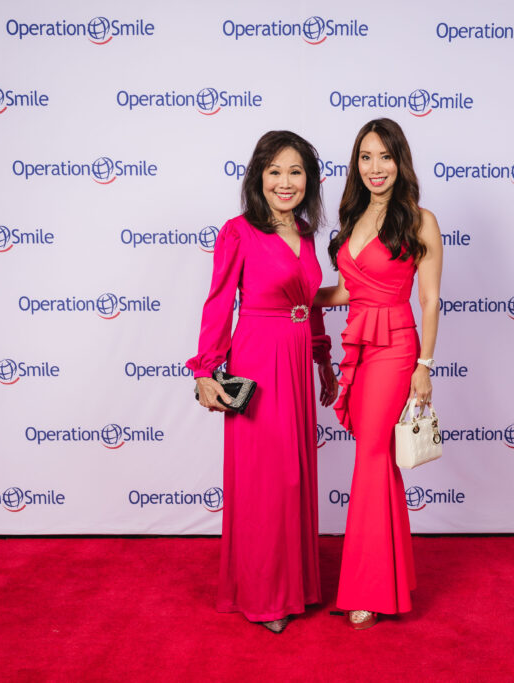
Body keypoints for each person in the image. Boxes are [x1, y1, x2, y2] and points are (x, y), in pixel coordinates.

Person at [187, 130, 339, 634]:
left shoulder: (306, 232)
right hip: (258, 357)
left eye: (295, 171)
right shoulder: (238, 232)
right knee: (263, 481)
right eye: (275, 171)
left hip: (295, 359)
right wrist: (206, 368)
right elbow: (218, 302)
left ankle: (294, 587)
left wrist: (322, 359)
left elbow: (308, 303)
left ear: (309, 180)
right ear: (258, 177)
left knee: (293, 477)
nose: (285, 182)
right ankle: (263, 595)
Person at [314, 118, 443, 629]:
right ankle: (389, 578)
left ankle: (366, 589)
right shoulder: (354, 218)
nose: (375, 167)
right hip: (361, 345)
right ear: (357, 164)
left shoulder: (420, 220)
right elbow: (349, 291)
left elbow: (429, 299)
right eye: (366, 157)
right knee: (377, 460)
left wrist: (424, 366)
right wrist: (296, 295)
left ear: (399, 161)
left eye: (385, 157)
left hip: (396, 348)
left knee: (370, 455)